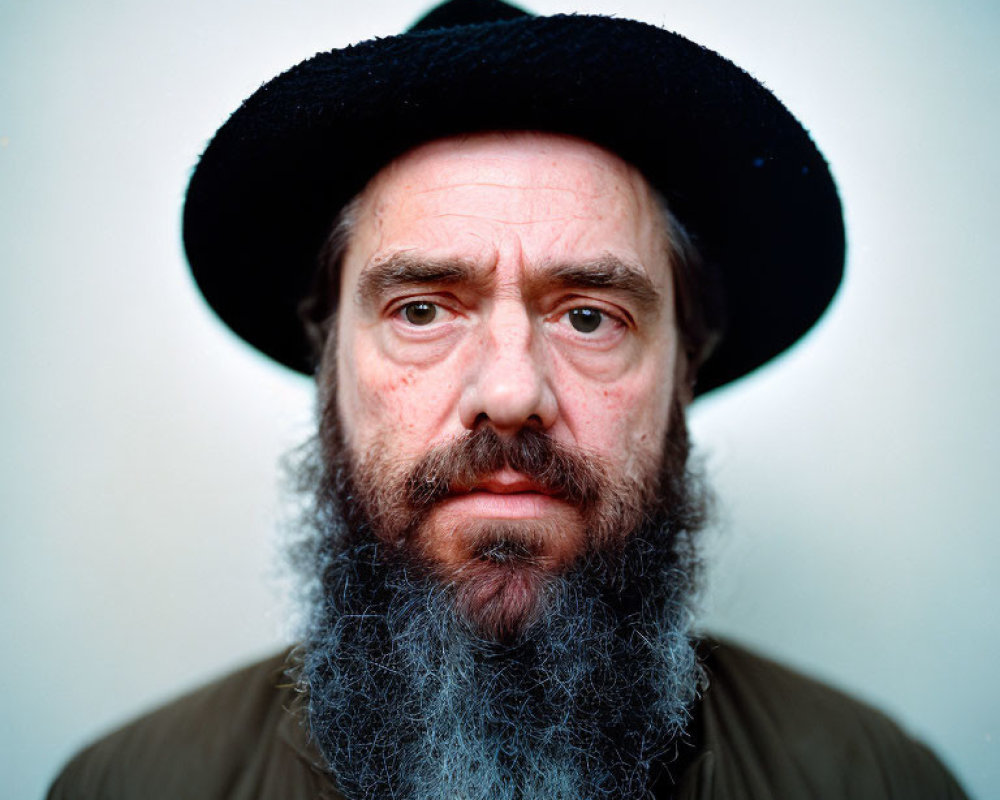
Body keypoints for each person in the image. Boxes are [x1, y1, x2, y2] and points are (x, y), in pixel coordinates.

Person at [48, 0, 969, 798]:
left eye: (589, 317)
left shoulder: (876, 778)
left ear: (684, 367)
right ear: (329, 357)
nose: (511, 391)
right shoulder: (129, 785)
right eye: (421, 309)